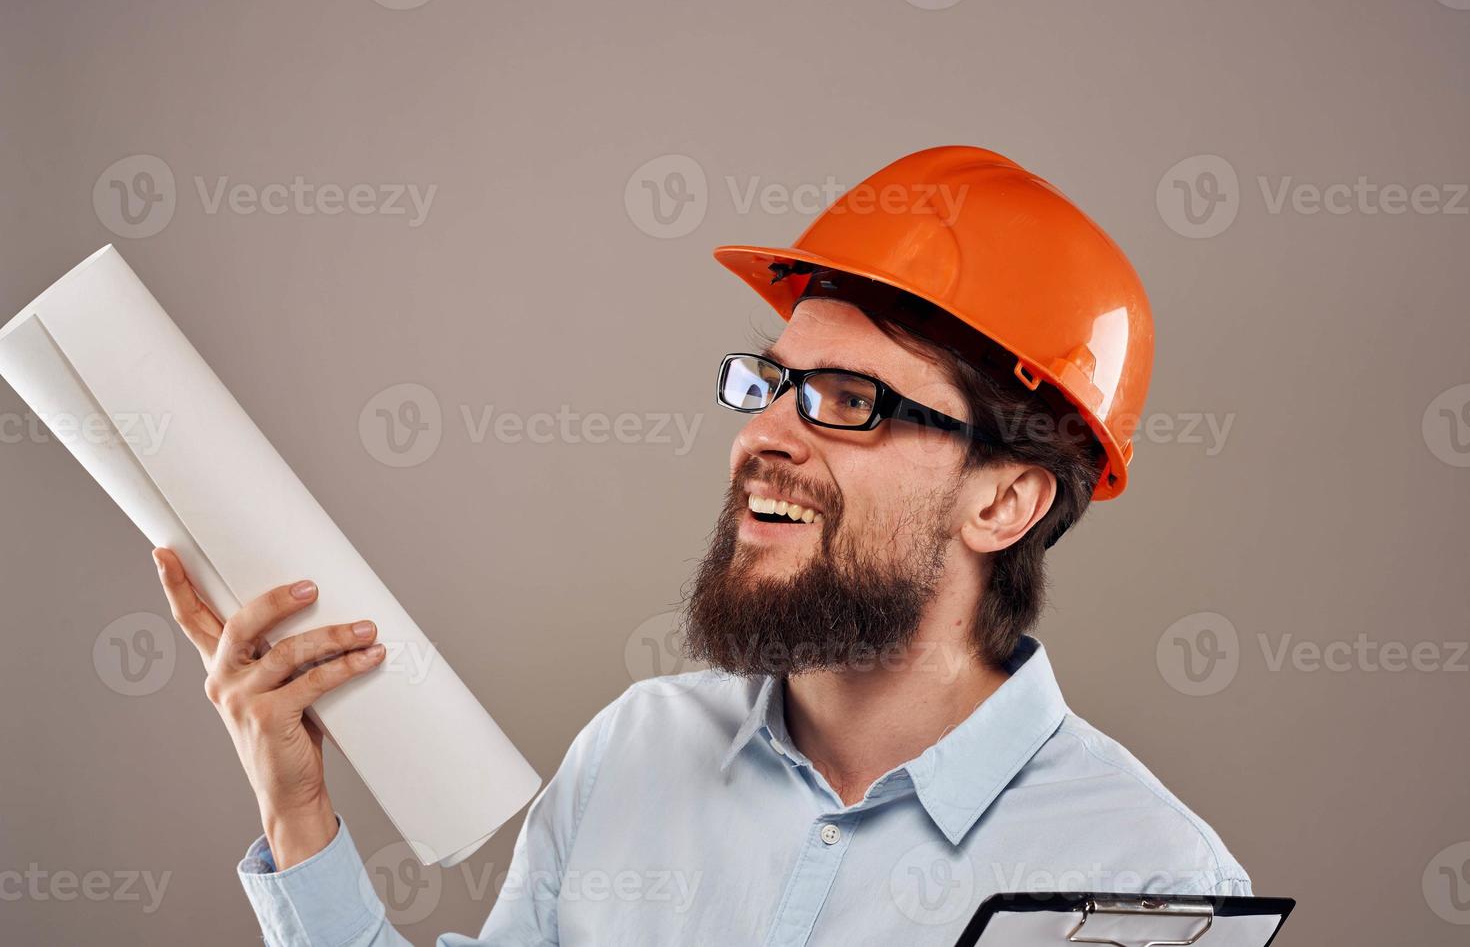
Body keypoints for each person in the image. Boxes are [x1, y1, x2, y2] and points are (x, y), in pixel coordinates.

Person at [153, 146, 1249, 946]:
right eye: (771, 383)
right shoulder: (636, 751)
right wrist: (298, 813)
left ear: (1004, 500)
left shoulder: (1145, 879)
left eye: (846, 400)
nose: (762, 434)